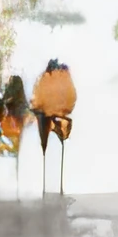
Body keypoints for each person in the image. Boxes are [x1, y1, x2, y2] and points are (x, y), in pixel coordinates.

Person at [33, 58, 76, 195]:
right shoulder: (67, 77)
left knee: (44, 146)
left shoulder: (43, 78)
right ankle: (60, 187)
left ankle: (45, 186)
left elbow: (37, 100)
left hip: (46, 117)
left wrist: (38, 108)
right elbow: (72, 99)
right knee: (63, 143)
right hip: (62, 118)